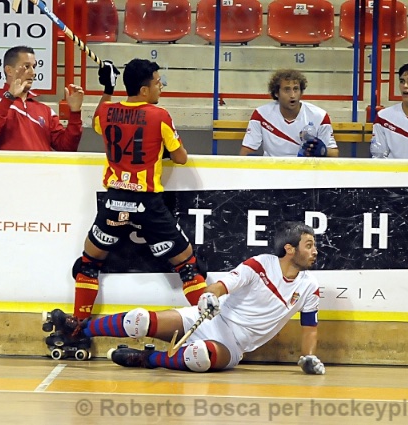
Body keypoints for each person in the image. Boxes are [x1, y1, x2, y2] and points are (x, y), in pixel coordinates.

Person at [49, 221, 325, 375]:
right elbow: (222, 286)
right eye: (309, 245)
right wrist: (209, 297)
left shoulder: (309, 287)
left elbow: (309, 327)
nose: (315, 251)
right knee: (139, 320)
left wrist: (308, 357)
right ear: (289, 249)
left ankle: (149, 359)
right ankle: (79, 329)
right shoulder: (260, 264)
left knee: (200, 357)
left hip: (232, 345)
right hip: (210, 318)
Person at [70, 58, 207, 322]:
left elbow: (97, 121)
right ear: (144, 90)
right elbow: (180, 158)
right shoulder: (160, 115)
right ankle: (212, 326)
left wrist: (108, 89)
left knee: (88, 264)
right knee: (189, 268)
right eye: (158, 82)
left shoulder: (107, 112)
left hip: (114, 201)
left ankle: (77, 328)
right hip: (148, 205)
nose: (161, 87)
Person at [0, 45, 84, 151]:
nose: (33, 73)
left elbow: (67, 148)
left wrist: (75, 112)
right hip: (8, 165)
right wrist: (9, 97)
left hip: (43, 165)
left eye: (34, 67)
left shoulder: (45, 110)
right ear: (9, 70)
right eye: (27, 66)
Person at [240, 69, 339, 158]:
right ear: (276, 93)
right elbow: (245, 152)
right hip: (273, 169)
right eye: (287, 90)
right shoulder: (261, 114)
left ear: (301, 92)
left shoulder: (319, 116)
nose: (292, 95)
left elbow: (334, 153)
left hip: (305, 169)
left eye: (296, 89)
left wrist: (323, 151)